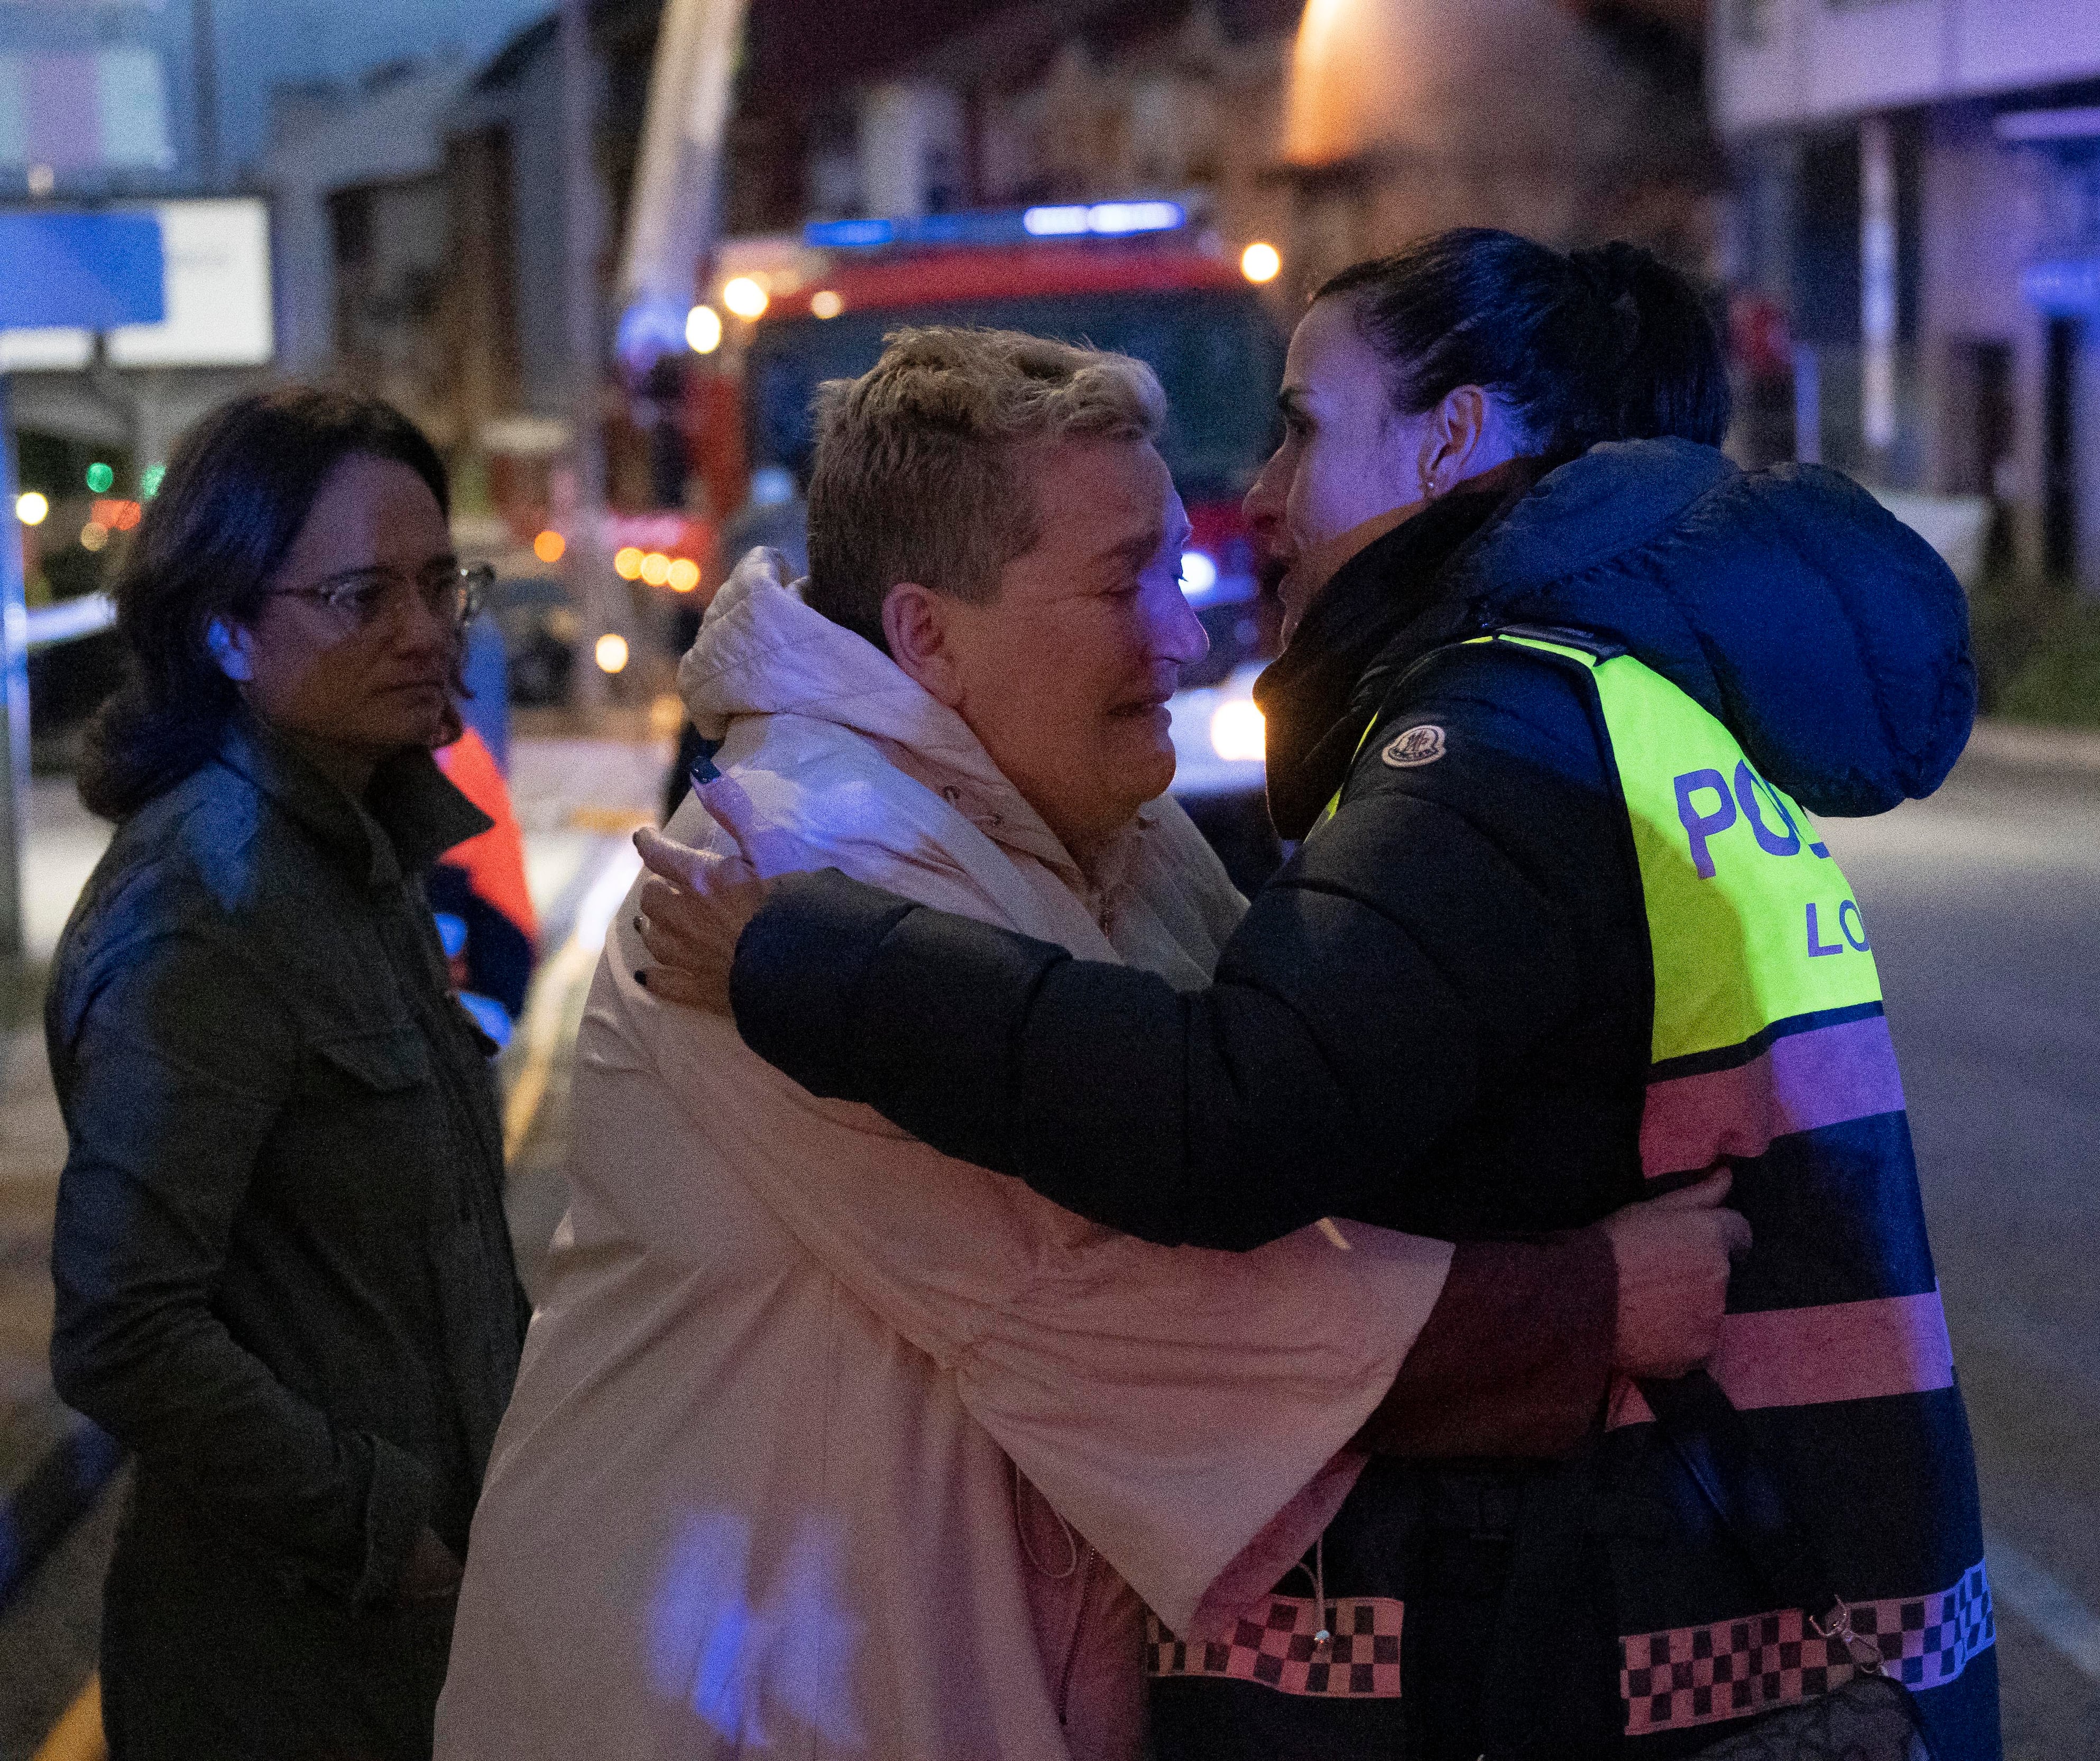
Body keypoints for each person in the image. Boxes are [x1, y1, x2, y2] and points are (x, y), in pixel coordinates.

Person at [639, 229, 2000, 1759]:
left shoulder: (1493, 735)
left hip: (1664, 1614)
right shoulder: (1610, 699)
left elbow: (1225, 1116)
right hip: (1747, 1589)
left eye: (1300, 420)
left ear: (1454, 437)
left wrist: (801, 952)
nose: (1268, 492)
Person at [438, 327, 1747, 1761]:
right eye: (1126, 582)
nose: (1181, 635)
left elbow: (1259, 1105)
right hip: (724, 1691)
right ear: (929, 631)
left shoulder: (1102, 824)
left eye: (1174, 571)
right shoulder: (790, 864)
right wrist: (1585, 1306)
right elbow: (1105, 1291)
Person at [48, 386, 529, 1760]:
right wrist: (389, 1528)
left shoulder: (355, 851)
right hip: (281, 1675)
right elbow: (122, 1325)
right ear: (226, 626)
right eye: (363, 595)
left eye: (442, 583)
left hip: (411, 1659)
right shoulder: (209, 901)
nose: (428, 631)